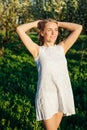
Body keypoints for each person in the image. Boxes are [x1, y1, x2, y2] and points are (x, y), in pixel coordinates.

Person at [16, 19, 82, 130]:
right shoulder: (37, 50)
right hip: (46, 96)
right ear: (42, 32)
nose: (54, 33)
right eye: (49, 30)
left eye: (56, 30)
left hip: (62, 94)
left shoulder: (62, 48)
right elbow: (19, 29)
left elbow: (78, 28)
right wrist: (37, 23)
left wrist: (58, 23)